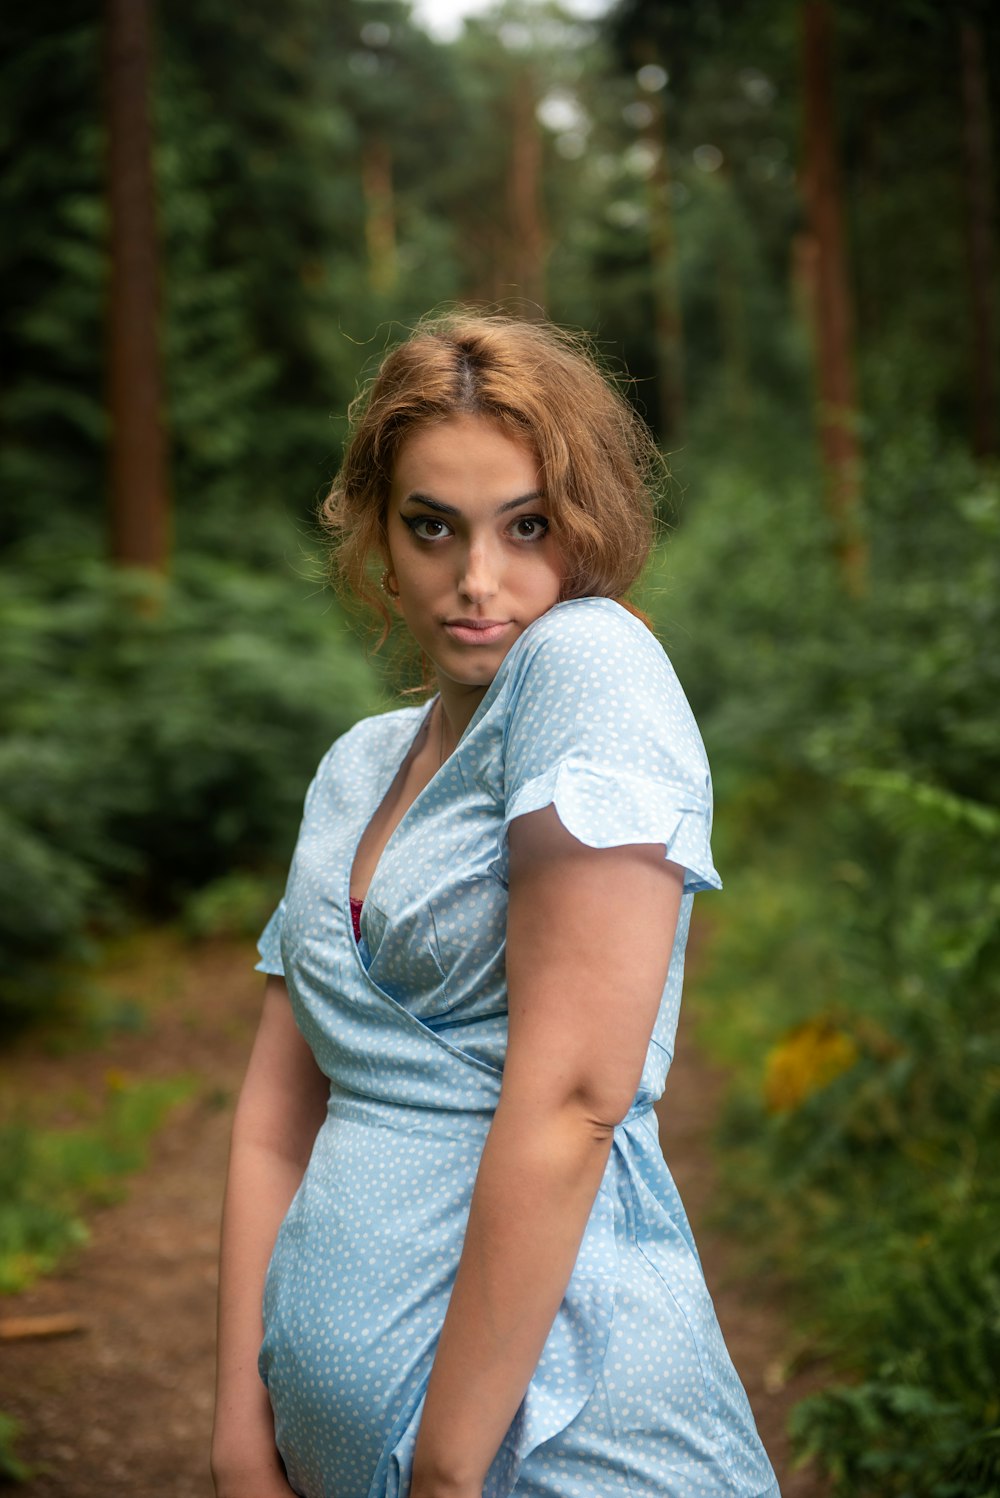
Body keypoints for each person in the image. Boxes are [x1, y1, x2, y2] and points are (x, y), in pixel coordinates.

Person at [211, 311, 779, 1498]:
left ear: (586, 525)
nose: (478, 582)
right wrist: (239, 1429)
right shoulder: (358, 763)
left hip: (558, 1440)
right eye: (433, 528)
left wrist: (447, 1471)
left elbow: (575, 1101)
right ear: (377, 531)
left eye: (526, 527)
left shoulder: (591, 665)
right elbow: (276, 1114)